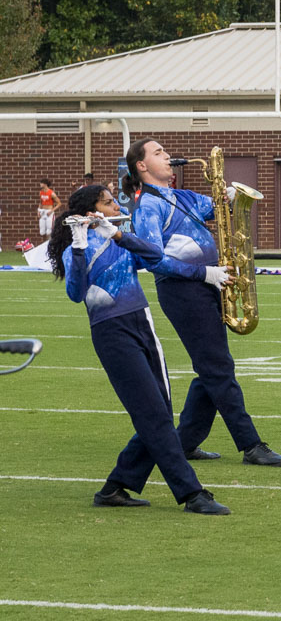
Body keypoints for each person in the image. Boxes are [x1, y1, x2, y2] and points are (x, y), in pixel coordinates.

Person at [47, 185, 230, 514]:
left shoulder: (119, 237)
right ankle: (192, 493)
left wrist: (117, 234)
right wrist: (79, 243)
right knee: (154, 417)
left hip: (143, 327)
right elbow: (76, 292)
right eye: (108, 201)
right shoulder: (77, 248)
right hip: (111, 333)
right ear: (91, 210)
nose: (116, 204)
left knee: (159, 412)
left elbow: (155, 257)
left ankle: (115, 487)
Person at [124, 137, 281, 466]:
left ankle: (185, 441)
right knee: (217, 367)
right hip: (182, 290)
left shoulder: (181, 196)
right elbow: (152, 260)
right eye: (158, 153)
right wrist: (205, 273)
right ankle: (251, 444)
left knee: (211, 368)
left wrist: (229, 198)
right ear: (142, 166)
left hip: (206, 284)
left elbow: (218, 208)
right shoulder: (147, 206)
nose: (168, 156)